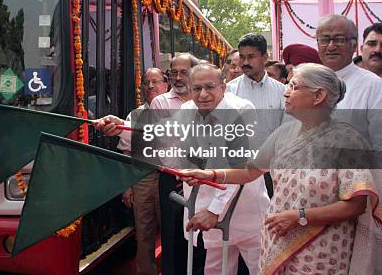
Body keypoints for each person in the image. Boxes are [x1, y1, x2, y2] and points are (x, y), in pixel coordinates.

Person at [182, 63, 381, 274]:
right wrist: (210, 175)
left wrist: (300, 216)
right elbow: (250, 171)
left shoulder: (346, 140)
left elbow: (356, 205)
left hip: (322, 251)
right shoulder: (285, 133)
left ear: (318, 96)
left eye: (294, 86)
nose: (285, 92)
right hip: (278, 241)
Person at [165, 63, 269, 275]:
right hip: (203, 206)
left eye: (210, 87)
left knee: (263, 269)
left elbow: (240, 167)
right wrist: (118, 126)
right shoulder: (186, 111)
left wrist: (214, 211)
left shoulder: (242, 110)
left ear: (223, 87)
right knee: (216, 270)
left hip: (243, 209)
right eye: (197, 88)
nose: (203, 94)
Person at [95, 68, 169, 275]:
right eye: (147, 83)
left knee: (171, 232)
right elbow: (127, 151)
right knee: (144, 232)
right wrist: (127, 186)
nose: (151, 86)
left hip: (169, 179)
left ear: (166, 84)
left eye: (156, 81)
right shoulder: (135, 115)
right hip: (142, 178)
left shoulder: (178, 110)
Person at [150, 54, 206, 275]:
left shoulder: (206, 99)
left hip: (204, 179)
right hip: (172, 179)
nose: (178, 77)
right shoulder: (160, 102)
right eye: (174, 72)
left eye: (184, 72)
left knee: (201, 234)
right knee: (173, 235)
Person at [315, 15, 382, 146]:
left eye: (339, 40)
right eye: (324, 39)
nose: (331, 46)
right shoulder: (304, 83)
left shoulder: (373, 86)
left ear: (354, 45)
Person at [226, 34, 285, 150]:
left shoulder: (282, 91)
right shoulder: (229, 90)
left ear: (265, 57)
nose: (245, 62)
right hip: (238, 163)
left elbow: (286, 131)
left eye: (251, 57)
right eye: (242, 57)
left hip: (272, 162)